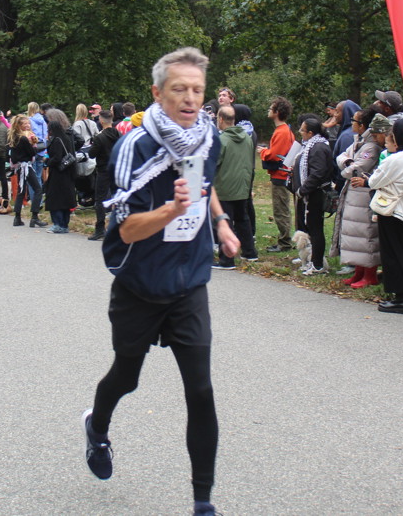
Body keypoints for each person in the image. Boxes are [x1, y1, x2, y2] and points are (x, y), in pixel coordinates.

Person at [83, 48, 239, 516]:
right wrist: (172, 210)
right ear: (157, 93)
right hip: (140, 284)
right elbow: (126, 230)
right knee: (126, 376)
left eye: (197, 90)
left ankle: (203, 502)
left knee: (201, 391)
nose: (190, 99)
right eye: (179, 89)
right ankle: (97, 427)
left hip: (189, 283)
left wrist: (221, 223)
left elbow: (205, 187)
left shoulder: (207, 136)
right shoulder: (135, 147)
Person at [365, 119, 403, 312]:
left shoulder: (395, 159)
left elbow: (374, 181)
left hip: (394, 210)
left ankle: (399, 297)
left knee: (392, 254)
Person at [339, 111, 390, 288]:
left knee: (367, 234)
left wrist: (348, 165)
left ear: (362, 125)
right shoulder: (358, 142)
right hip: (354, 196)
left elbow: (356, 169)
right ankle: (359, 271)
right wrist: (347, 162)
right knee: (357, 236)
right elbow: (341, 157)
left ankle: (369, 274)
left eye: (354, 120)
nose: (351, 123)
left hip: (364, 196)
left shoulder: (371, 147)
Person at [212, 106, 258, 269]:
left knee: (224, 222)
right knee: (242, 219)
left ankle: (226, 260)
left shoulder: (221, 140)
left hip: (224, 187)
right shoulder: (247, 137)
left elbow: (215, 163)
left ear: (221, 119)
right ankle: (250, 252)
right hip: (242, 187)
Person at [290, 116, 333, 275]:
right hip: (310, 194)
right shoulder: (311, 146)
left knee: (315, 230)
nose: (300, 132)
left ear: (310, 133)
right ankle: (311, 260)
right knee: (311, 228)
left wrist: (303, 189)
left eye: (302, 130)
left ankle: (318, 265)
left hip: (315, 194)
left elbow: (317, 173)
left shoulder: (318, 148)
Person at [259, 96, 295, 252]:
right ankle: (284, 240)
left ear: (277, 112)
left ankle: (285, 242)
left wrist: (263, 152)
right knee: (282, 209)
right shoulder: (284, 130)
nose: (268, 110)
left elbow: (274, 155)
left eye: (271, 108)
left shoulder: (282, 132)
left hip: (280, 175)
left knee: (280, 210)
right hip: (281, 174)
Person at [8, 114, 47, 228]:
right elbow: (32, 153)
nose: (27, 125)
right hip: (25, 166)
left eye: (28, 123)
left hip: (19, 166)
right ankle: (34, 217)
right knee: (38, 189)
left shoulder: (14, 138)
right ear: (19, 125)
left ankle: (17, 218)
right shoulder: (24, 139)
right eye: (24, 123)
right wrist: (33, 145)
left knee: (21, 191)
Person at [88, 110, 120, 241]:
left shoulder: (100, 137)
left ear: (101, 121)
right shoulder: (119, 134)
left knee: (100, 199)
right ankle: (118, 227)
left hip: (103, 170)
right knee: (117, 197)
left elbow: (92, 154)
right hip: (116, 169)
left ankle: (100, 228)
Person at [42, 109, 75, 233]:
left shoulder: (56, 140)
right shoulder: (66, 138)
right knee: (65, 200)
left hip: (57, 173)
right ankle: (64, 225)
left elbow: (57, 158)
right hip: (67, 172)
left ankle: (57, 224)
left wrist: (47, 161)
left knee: (55, 199)